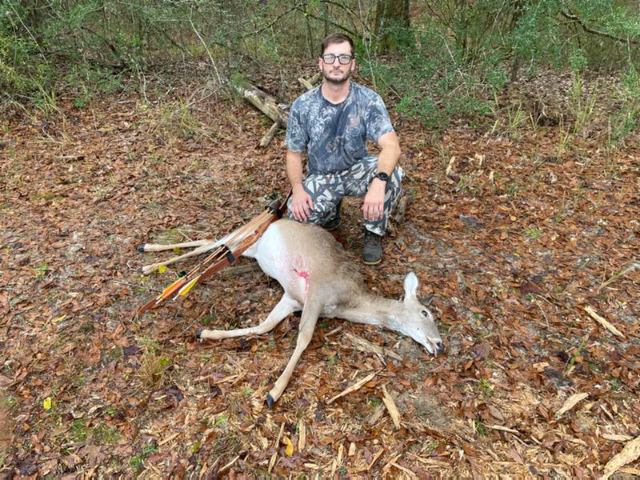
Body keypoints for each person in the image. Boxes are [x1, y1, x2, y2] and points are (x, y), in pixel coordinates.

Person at [285, 33, 404, 265]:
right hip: (321, 176)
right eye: (330, 57)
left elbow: (391, 146)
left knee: (393, 174)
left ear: (353, 64)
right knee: (297, 219)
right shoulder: (303, 105)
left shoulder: (368, 100)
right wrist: (298, 189)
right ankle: (331, 211)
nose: (336, 63)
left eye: (343, 57)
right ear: (321, 63)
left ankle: (373, 231)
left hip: (356, 171)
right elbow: (293, 153)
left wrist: (379, 183)